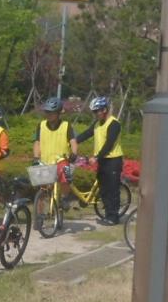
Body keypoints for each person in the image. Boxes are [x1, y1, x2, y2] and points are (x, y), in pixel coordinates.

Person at [75, 95, 124, 223]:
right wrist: (73, 141)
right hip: (102, 160)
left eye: (98, 111)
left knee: (112, 189)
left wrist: (96, 157)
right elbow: (87, 134)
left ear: (105, 110)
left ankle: (113, 217)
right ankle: (108, 214)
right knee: (103, 189)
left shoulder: (114, 124)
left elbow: (109, 144)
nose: (96, 114)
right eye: (94, 112)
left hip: (113, 160)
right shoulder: (97, 124)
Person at [32, 97, 77, 185]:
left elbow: (73, 141)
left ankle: (65, 197)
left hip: (61, 161)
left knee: (65, 180)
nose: (49, 115)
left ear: (58, 113)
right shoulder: (41, 125)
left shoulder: (66, 126)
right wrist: (36, 157)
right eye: (47, 112)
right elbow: (37, 142)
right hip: (45, 162)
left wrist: (74, 153)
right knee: (43, 188)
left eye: (52, 113)